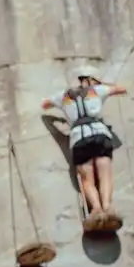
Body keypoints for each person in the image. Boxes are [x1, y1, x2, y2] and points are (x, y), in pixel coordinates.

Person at [42, 66, 127, 227]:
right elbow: (122, 89)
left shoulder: (64, 96)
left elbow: (44, 104)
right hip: (99, 134)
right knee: (105, 174)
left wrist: (58, 122)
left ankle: (96, 208)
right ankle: (107, 206)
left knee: (87, 179)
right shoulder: (97, 90)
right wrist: (102, 84)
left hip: (78, 138)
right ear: (88, 79)